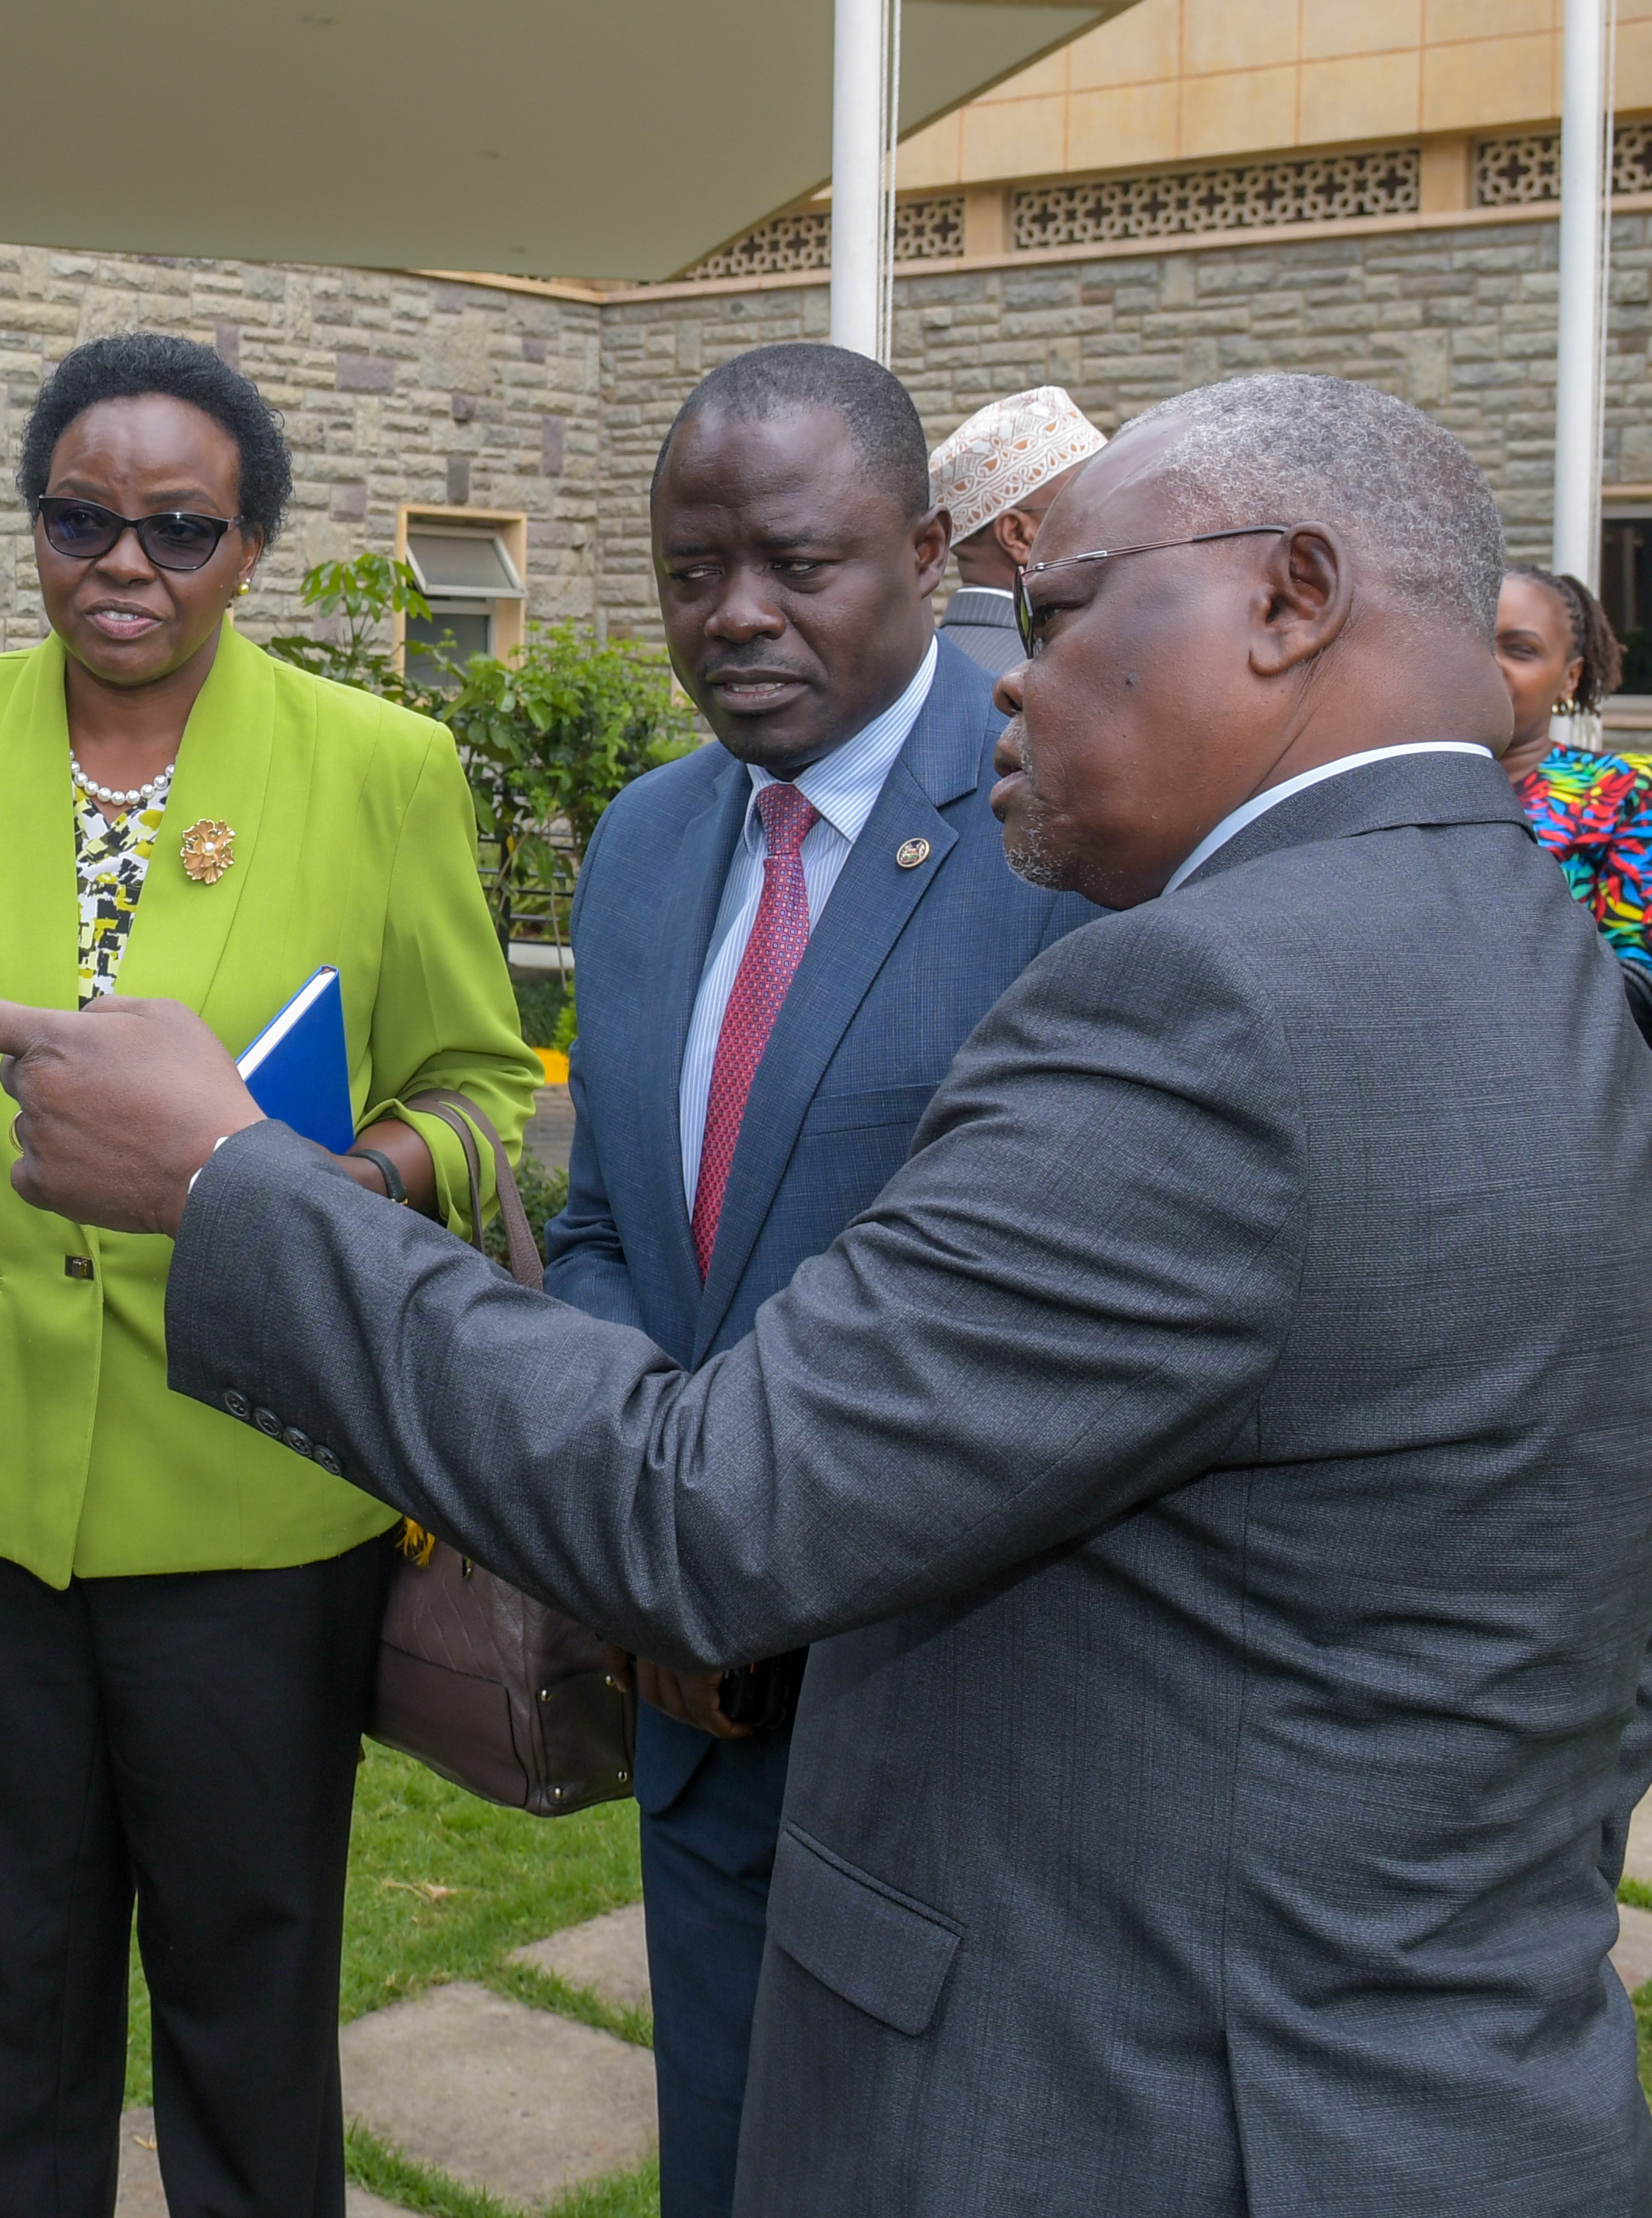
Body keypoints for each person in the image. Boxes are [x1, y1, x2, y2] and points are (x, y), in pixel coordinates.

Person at [0, 372, 1652, 2218]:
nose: (1019, 670)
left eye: (1067, 610)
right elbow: (1617, 1602)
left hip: (1143, 2100)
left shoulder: (1203, 1007)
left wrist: (226, 1181)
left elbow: (713, 1506)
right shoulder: (1536, 957)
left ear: (1290, 596)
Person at [0, 330, 537, 2218]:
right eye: (80, 519)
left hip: (256, 1501)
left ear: (250, 546)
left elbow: (488, 1095)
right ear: (35, 527)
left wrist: (322, 1180)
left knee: (242, 1995)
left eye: (177, 530)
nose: (125, 563)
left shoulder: (380, 769)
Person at [536, 345, 1086, 2218]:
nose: (736, 616)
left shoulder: (1066, 829)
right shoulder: (640, 844)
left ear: (931, 551)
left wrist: (765, 1549)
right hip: (695, 1720)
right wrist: (658, 1534)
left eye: (796, 561)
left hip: (960, 1746)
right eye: (693, 572)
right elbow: (606, 1228)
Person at [1494, 566, 1652, 1588]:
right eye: (1472, 637)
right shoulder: (1370, 791)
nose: (1489, 666)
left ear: (1572, 675)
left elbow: (1647, 1000)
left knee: (1598, 1554)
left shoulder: (1634, 800)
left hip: (1581, 1196)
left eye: (1520, 647)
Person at [922, 383, 1102, 675]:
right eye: (1096, 498)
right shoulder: (1045, 675)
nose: (1118, 515)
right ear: (1018, 536)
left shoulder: (924, 668)